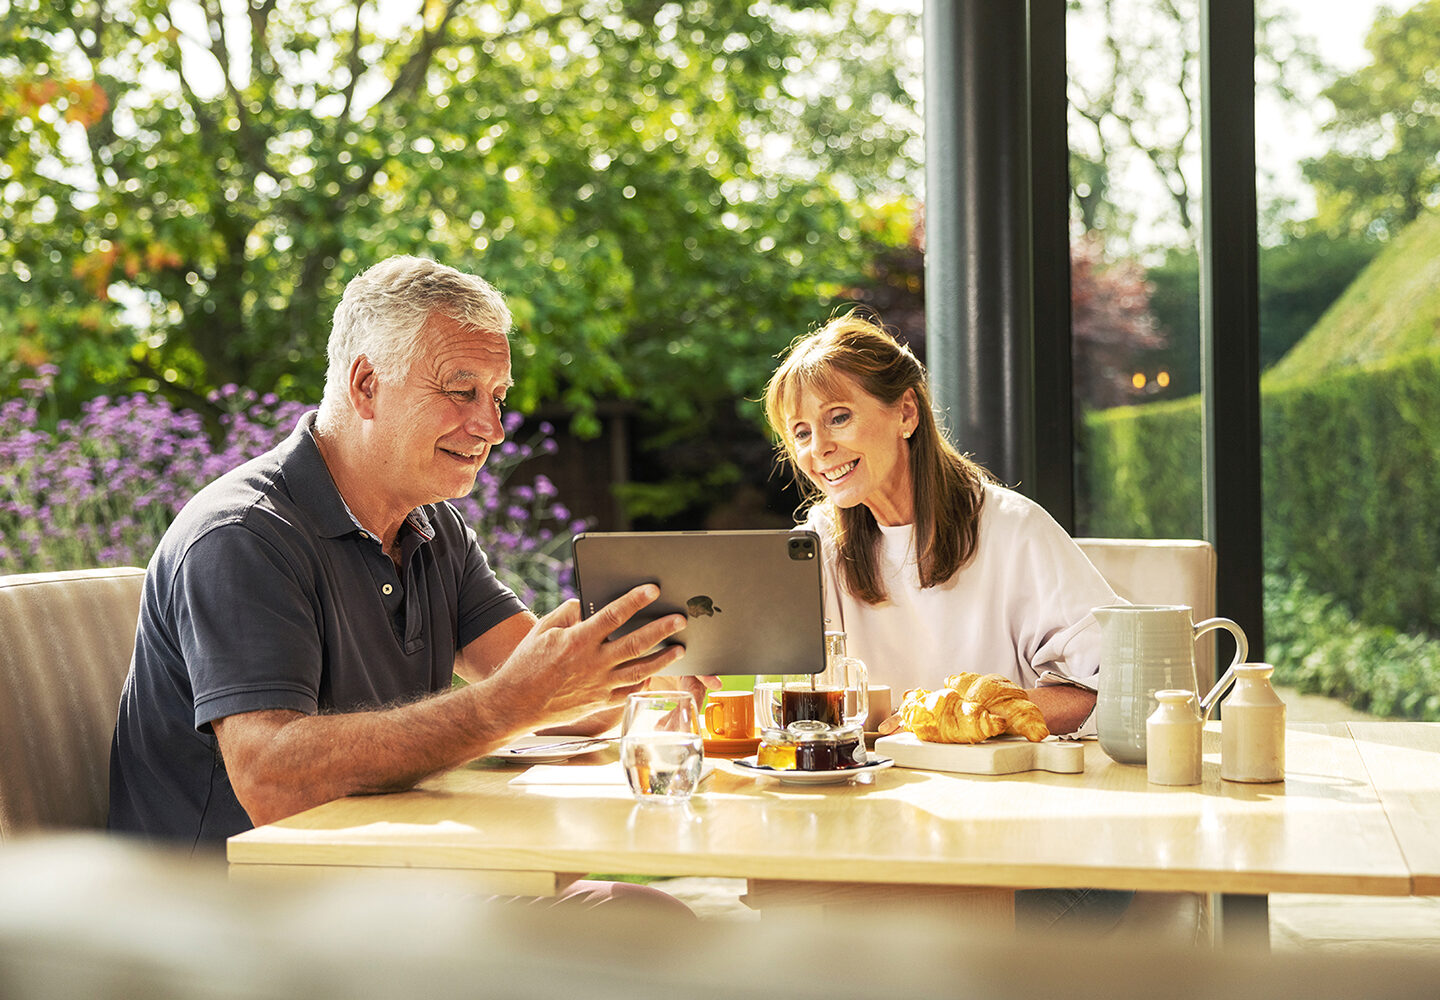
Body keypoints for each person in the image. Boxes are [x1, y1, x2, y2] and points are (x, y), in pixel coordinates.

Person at [108, 257, 711, 917]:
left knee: (647, 921)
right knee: (642, 929)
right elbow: (272, 779)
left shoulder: (430, 530)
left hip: (383, 894)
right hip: (235, 929)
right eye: (461, 390)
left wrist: (648, 676)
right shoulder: (244, 537)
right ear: (366, 384)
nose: (492, 426)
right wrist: (501, 708)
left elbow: (539, 679)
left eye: (497, 395)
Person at [763, 309, 1129, 931]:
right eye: (799, 433)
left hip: (1016, 821)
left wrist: (974, 724)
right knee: (791, 895)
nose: (817, 449)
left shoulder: (1012, 527)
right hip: (882, 822)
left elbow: (1115, 680)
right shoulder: (817, 545)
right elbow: (795, 697)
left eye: (838, 417)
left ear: (906, 413)